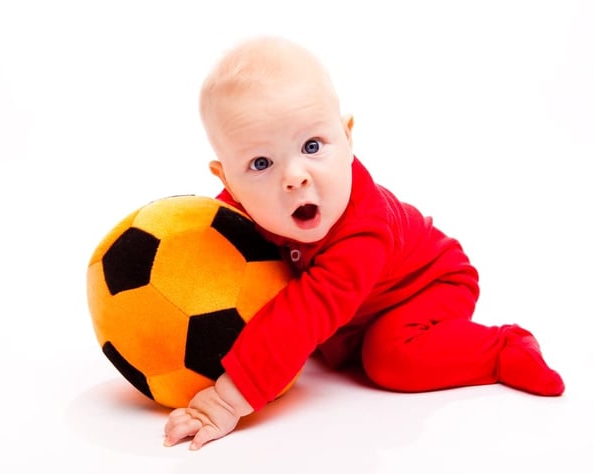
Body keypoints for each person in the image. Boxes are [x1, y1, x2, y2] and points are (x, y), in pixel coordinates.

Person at [163, 36, 565, 451]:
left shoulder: (364, 231)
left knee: (389, 358)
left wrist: (226, 400)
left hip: (426, 285)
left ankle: (502, 350)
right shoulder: (243, 209)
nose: (295, 176)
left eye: (312, 146)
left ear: (347, 137)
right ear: (228, 181)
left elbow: (304, 312)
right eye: (260, 163)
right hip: (354, 309)